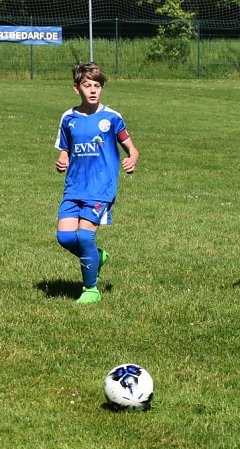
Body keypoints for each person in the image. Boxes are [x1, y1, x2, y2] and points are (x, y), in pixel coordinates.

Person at [54, 62, 139, 304]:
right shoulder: (68, 118)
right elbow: (65, 149)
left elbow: (132, 148)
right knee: (65, 237)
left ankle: (91, 289)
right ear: (76, 88)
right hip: (74, 187)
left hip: (101, 189)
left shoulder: (112, 118)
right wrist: (63, 159)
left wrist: (132, 159)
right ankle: (96, 256)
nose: (93, 90)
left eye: (97, 86)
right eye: (87, 85)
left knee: (84, 238)